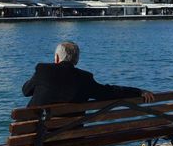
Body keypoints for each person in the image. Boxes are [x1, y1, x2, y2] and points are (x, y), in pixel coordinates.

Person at [23, 41, 154, 107]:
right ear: (76, 60)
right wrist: (138, 91)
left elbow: (26, 91)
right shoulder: (85, 78)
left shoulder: (42, 70)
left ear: (57, 58)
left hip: (34, 134)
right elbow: (109, 92)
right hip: (70, 135)